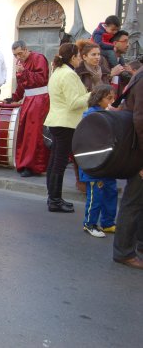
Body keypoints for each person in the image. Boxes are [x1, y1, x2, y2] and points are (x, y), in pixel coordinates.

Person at [44, 43, 89, 213]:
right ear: (73, 57)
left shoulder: (58, 71)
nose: (80, 59)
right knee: (59, 162)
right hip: (65, 123)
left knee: (55, 161)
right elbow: (73, 103)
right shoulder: (68, 74)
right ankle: (54, 200)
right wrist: (92, 95)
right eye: (78, 56)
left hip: (58, 121)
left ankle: (53, 197)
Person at [111, 65, 143, 269]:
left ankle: (137, 244)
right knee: (133, 201)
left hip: (137, 149)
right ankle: (124, 252)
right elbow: (140, 119)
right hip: (139, 151)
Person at [79, 85, 117, 238]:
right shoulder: (91, 115)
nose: (111, 101)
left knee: (110, 191)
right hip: (94, 163)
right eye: (109, 98)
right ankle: (90, 224)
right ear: (99, 98)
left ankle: (108, 223)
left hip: (106, 162)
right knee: (96, 195)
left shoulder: (103, 113)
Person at [9, 40, 51, 178]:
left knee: (34, 134)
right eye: (15, 55)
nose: (18, 57)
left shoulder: (39, 58)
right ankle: (24, 163)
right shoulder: (19, 63)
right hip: (28, 100)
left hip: (39, 100)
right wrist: (15, 97)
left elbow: (41, 79)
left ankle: (35, 166)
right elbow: (21, 84)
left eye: (20, 53)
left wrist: (24, 72)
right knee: (25, 133)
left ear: (26, 49)